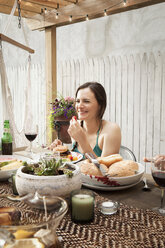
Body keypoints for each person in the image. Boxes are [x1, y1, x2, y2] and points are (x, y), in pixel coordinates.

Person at [50, 82, 121, 157]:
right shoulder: (76, 125)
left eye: (86, 101)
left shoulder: (111, 130)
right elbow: (77, 161)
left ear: (100, 105)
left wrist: (82, 141)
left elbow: (104, 169)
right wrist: (62, 153)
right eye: (77, 101)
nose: (79, 106)